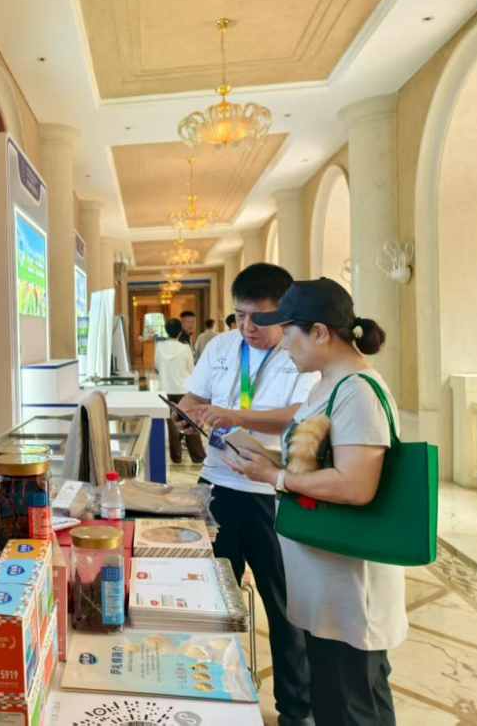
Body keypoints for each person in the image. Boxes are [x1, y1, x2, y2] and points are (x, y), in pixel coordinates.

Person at [225, 278, 404, 726]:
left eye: (289, 333)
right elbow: (315, 463)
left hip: (350, 588)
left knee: (353, 705)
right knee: (330, 700)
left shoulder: (358, 391)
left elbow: (356, 484)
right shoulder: (327, 384)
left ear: (320, 332)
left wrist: (275, 476)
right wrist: (265, 460)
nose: (284, 344)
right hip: (323, 580)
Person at [176, 263, 319, 726]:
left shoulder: (299, 350)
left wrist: (234, 415)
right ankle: (218, 702)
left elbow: (298, 414)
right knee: (214, 600)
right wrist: (186, 415)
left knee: (285, 607)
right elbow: (194, 398)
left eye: (259, 317)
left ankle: (295, 711)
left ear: (284, 313)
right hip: (217, 488)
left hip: (271, 491)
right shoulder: (221, 346)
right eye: (239, 316)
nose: (247, 327)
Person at [155, 319, 205, 465]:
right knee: (189, 422)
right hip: (183, 390)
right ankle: (198, 456)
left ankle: (176, 457)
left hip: (166, 390)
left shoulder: (159, 347)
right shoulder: (185, 348)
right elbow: (191, 369)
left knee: (172, 424)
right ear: (180, 331)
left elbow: (157, 366)